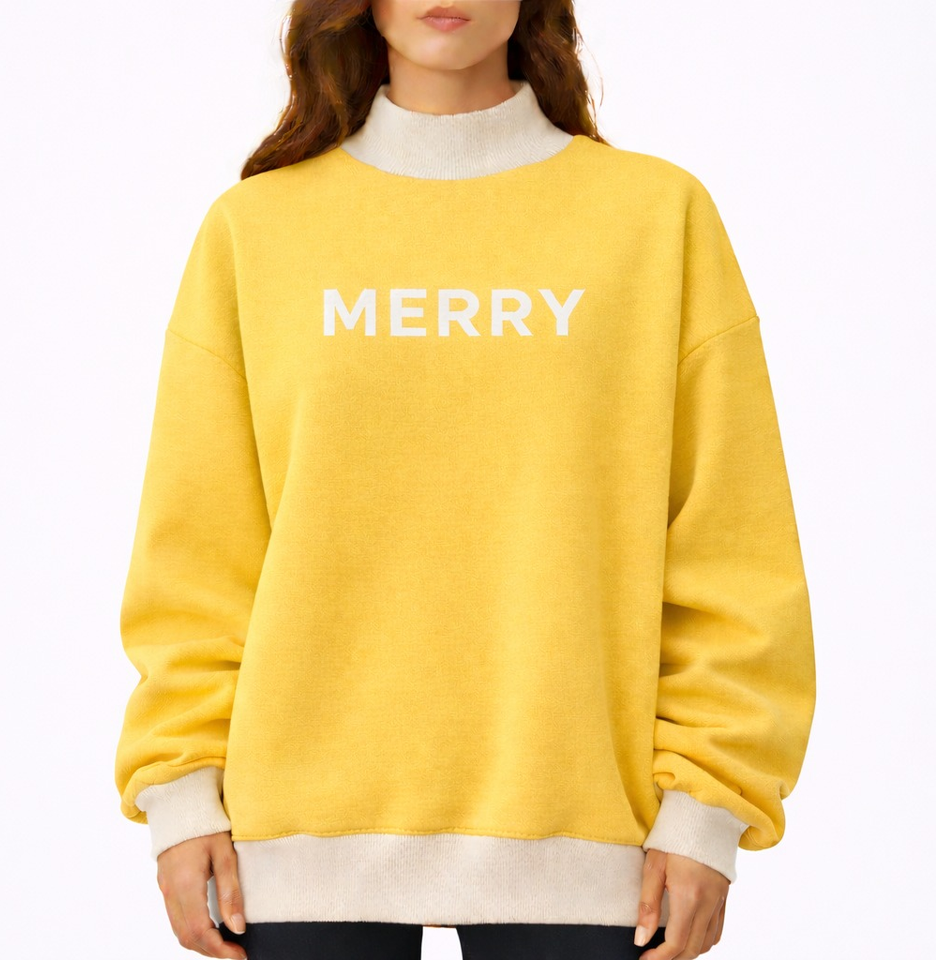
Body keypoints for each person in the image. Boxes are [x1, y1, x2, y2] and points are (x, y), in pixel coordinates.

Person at [113, 2, 818, 959]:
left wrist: (709, 805)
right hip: (293, 836)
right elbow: (199, 548)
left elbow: (731, 540)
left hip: (588, 832)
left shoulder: (656, 218)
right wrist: (181, 791)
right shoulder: (257, 231)